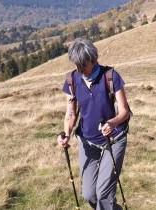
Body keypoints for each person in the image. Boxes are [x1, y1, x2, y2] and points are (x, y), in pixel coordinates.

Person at [57, 38, 130, 209]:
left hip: (113, 140)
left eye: (84, 64)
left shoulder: (111, 76)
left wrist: (112, 123)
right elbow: (71, 113)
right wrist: (66, 134)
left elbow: (125, 111)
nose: (81, 70)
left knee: (104, 194)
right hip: (87, 141)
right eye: (77, 65)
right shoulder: (71, 80)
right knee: (89, 194)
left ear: (95, 58)